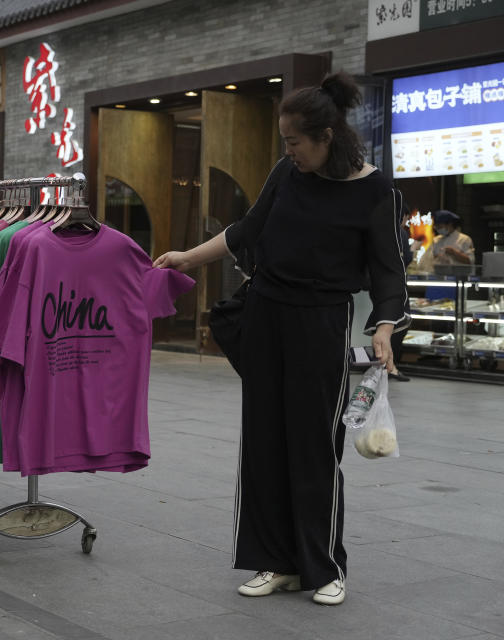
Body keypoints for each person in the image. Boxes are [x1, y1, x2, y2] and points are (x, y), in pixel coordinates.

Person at [154, 72, 409, 606]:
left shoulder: (375, 190)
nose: (288, 151)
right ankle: (276, 561)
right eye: (285, 142)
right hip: (266, 311)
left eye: (295, 142)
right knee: (264, 440)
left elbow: (389, 271)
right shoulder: (287, 174)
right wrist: (188, 258)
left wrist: (384, 327)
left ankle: (324, 566)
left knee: (316, 447)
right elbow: (246, 230)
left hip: (321, 322)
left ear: (327, 137)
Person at [390, 204, 415, 382]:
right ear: (403, 216)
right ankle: (391, 366)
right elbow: (405, 258)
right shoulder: (401, 233)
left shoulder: (378, 230)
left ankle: (384, 363)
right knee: (400, 324)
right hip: (395, 284)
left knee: (383, 325)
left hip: (377, 285)